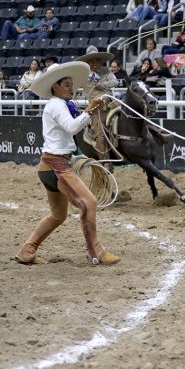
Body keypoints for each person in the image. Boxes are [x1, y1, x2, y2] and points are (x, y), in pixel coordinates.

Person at [14, 61, 120, 266]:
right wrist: (89, 110)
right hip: (57, 167)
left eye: (72, 84)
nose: (71, 88)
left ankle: (27, 250)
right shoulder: (56, 105)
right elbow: (72, 127)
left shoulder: (57, 105)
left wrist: (87, 113)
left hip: (50, 166)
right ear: (55, 86)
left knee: (58, 215)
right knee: (89, 203)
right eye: (67, 84)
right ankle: (96, 252)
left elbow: (68, 131)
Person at [75, 46, 118, 171]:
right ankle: (105, 161)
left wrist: (103, 84)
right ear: (87, 62)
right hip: (96, 107)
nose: (94, 63)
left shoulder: (106, 70)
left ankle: (157, 133)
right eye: (92, 61)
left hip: (111, 103)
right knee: (99, 131)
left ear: (100, 61)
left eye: (97, 60)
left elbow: (115, 82)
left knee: (131, 113)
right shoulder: (82, 75)